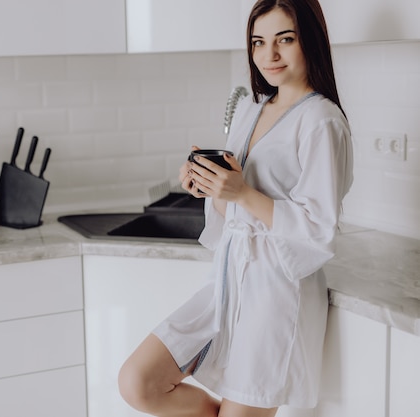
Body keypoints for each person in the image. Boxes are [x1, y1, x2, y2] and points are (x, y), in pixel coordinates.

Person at [118, 0, 354, 416]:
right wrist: (209, 185)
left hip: (278, 294)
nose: (270, 55)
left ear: (310, 41)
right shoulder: (252, 109)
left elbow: (318, 228)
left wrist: (243, 193)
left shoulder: (321, 121)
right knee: (139, 382)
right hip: (229, 279)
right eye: (258, 42)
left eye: (286, 39)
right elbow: (232, 211)